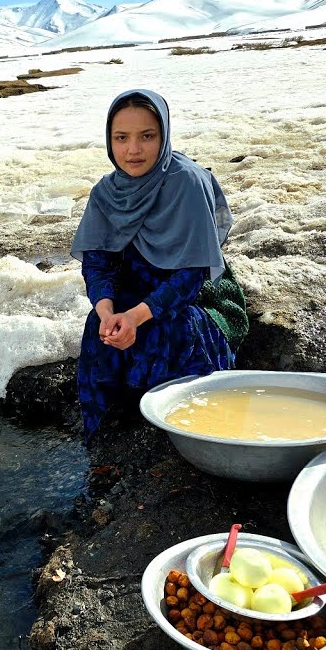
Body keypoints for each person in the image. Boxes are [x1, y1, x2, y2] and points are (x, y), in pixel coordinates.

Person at [71, 89, 248, 441]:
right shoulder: (107, 192)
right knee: (99, 330)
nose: (132, 150)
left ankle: (184, 442)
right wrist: (107, 312)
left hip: (195, 301)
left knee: (170, 331)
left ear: (164, 136)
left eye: (147, 136)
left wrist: (137, 316)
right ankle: (106, 443)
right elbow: (97, 264)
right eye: (121, 138)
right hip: (130, 295)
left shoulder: (187, 182)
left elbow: (192, 277)